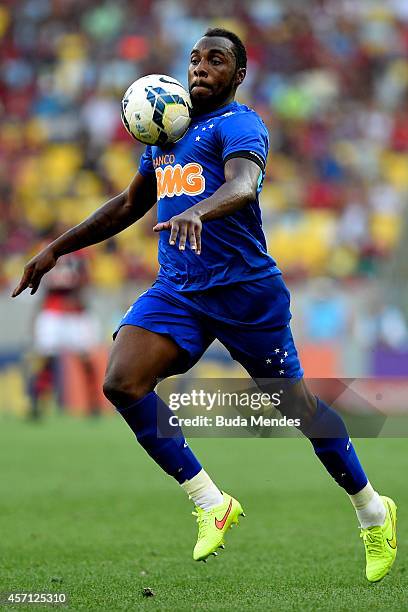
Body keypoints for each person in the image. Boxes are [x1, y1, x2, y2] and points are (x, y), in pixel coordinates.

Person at [12, 28, 397, 581]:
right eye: (195, 59)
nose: (200, 68)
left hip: (245, 293)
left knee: (299, 410)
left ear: (238, 75)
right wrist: (54, 249)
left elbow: (243, 185)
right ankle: (211, 502)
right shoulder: (167, 129)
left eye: (215, 61)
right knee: (121, 381)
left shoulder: (240, 124)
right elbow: (127, 206)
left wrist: (201, 211)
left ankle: (372, 510)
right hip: (179, 291)